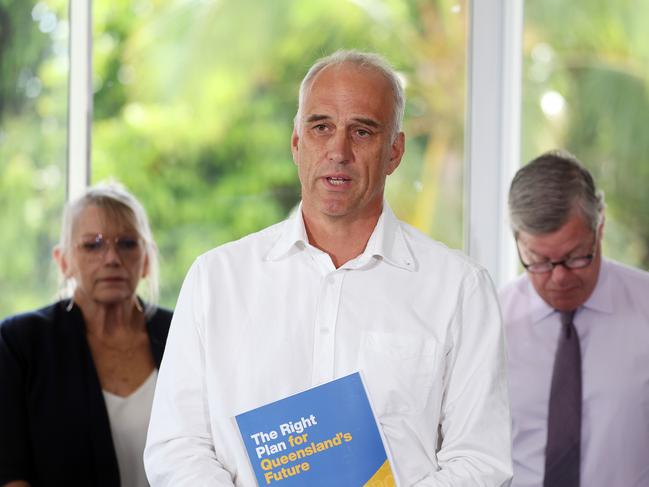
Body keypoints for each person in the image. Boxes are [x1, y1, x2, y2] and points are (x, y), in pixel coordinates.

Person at [144, 49, 512, 486]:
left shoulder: (460, 289)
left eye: (362, 131)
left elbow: (480, 462)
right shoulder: (215, 280)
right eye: (322, 127)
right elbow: (176, 446)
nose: (339, 151)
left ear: (394, 152)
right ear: (297, 143)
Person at [0, 182, 173, 487]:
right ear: (63, 260)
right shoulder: (20, 342)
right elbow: (10, 471)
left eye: (127, 243)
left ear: (147, 258)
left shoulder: (180, 332)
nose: (111, 258)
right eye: (93, 244)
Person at [500, 150, 649, 487]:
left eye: (576, 257)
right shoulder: (489, 326)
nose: (560, 278)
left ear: (600, 227)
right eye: (538, 261)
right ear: (518, 242)